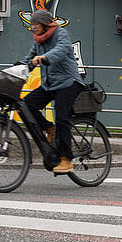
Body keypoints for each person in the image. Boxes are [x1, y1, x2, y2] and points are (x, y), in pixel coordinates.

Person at [22, 9, 83, 174]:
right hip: (50, 84)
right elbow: (29, 58)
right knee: (27, 104)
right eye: (31, 24)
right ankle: (49, 128)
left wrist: (43, 58)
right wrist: (17, 68)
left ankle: (66, 160)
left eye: (36, 24)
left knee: (62, 117)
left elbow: (61, 50)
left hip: (68, 82)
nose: (33, 27)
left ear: (44, 24)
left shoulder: (60, 33)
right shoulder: (38, 41)